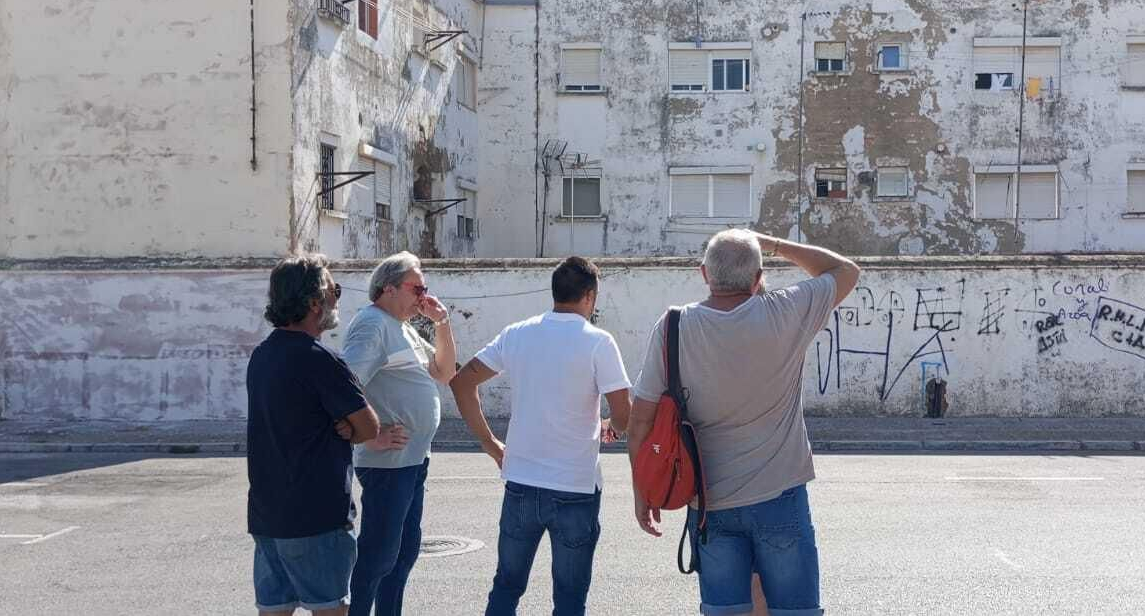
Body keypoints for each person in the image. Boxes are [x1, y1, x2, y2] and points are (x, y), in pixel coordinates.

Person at [628, 229, 859, 616]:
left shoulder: (672, 327)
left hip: (709, 502)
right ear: (757, 278)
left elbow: (640, 422)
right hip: (780, 497)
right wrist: (772, 244)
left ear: (704, 274)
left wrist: (641, 492)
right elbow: (844, 270)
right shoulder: (785, 312)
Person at [448, 256, 633, 616]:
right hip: (575, 487)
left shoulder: (518, 333)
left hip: (521, 480)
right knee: (569, 597)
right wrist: (613, 427)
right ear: (590, 296)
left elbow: (462, 382)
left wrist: (490, 443)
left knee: (506, 585)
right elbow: (624, 412)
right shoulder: (598, 342)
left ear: (555, 292)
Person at [246, 254, 381, 616]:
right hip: (316, 515)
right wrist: (348, 428)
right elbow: (369, 427)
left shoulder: (262, 355)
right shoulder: (322, 360)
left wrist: (344, 425)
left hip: (268, 514)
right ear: (313, 303)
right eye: (334, 291)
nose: (337, 300)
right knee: (329, 608)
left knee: (273, 609)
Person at [341, 251, 458, 616]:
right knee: (378, 555)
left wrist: (441, 322)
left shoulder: (403, 327)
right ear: (388, 288)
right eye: (417, 287)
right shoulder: (372, 324)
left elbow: (444, 371)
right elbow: (345, 386)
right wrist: (367, 435)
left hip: (412, 460)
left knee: (403, 552)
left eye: (426, 288)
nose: (423, 295)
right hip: (387, 464)